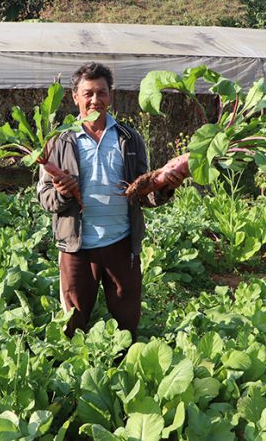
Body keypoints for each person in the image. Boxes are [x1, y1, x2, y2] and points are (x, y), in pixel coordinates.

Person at [37, 62, 184, 341]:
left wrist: (164, 187)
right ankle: (75, 374)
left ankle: (124, 368)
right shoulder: (57, 142)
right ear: (75, 97)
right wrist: (64, 193)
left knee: (127, 320)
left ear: (110, 96)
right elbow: (44, 197)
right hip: (76, 247)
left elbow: (144, 193)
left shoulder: (129, 138)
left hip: (121, 243)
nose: (95, 100)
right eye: (88, 93)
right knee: (73, 322)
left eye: (102, 93)